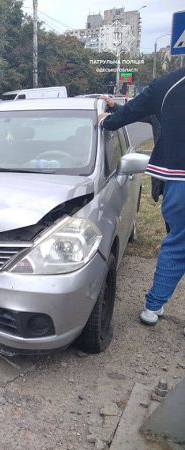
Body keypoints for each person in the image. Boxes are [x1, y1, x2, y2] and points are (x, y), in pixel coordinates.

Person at [98, 67, 185, 328]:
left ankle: (154, 306)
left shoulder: (170, 83)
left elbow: (136, 110)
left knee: (178, 243)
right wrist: (116, 107)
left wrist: (107, 120)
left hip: (180, 180)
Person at [101, 96, 168, 231]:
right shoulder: (161, 111)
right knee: (173, 220)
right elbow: (135, 113)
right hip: (168, 178)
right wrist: (114, 106)